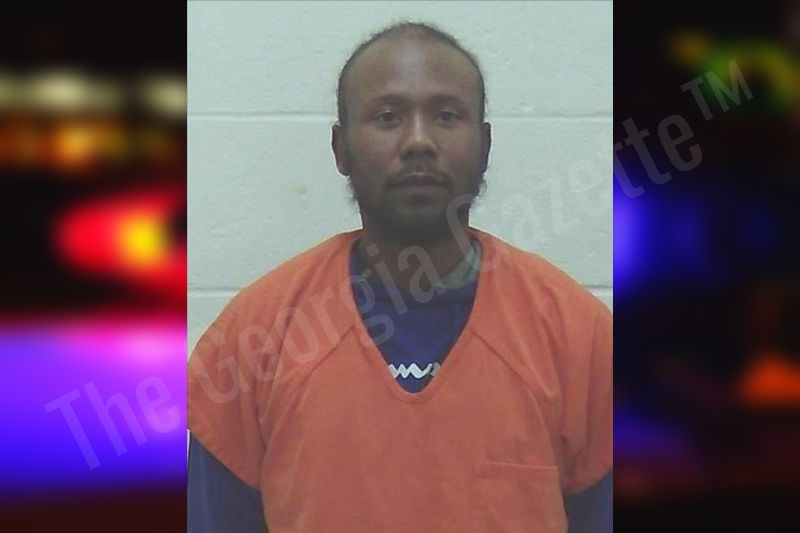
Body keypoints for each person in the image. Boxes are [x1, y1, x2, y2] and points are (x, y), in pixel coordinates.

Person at [188, 22, 612, 533]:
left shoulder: (581, 336)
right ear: (340, 148)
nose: (418, 141)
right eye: (388, 117)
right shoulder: (253, 336)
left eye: (447, 116)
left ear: (485, 144)